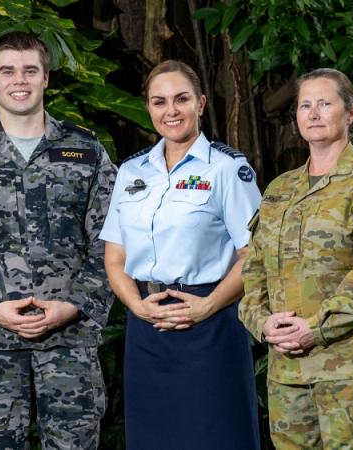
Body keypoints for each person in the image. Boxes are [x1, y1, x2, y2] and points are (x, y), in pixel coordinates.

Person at [0, 31, 116, 449]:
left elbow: (113, 242)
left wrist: (76, 304)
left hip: (70, 340)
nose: (20, 80)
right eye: (8, 71)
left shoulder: (84, 151)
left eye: (30, 70)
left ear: (46, 77)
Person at [238, 68, 353, 449]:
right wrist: (262, 323)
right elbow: (254, 272)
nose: (313, 113)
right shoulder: (279, 190)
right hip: (288, 375)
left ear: (350, 113)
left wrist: (315, 329)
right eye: (304, 105)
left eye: (325, 103)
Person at [99, 60, 262, 449]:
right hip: (147, 327)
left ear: (201, 103)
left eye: (181, 99)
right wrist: (136, 307)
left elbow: (254, 255)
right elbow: (115, 258)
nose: (170, 110)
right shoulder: (132, 171)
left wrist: (206, 307)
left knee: (218, 435)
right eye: (159, 101)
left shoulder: (227, 168)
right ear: (149, 108)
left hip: (211, 324)